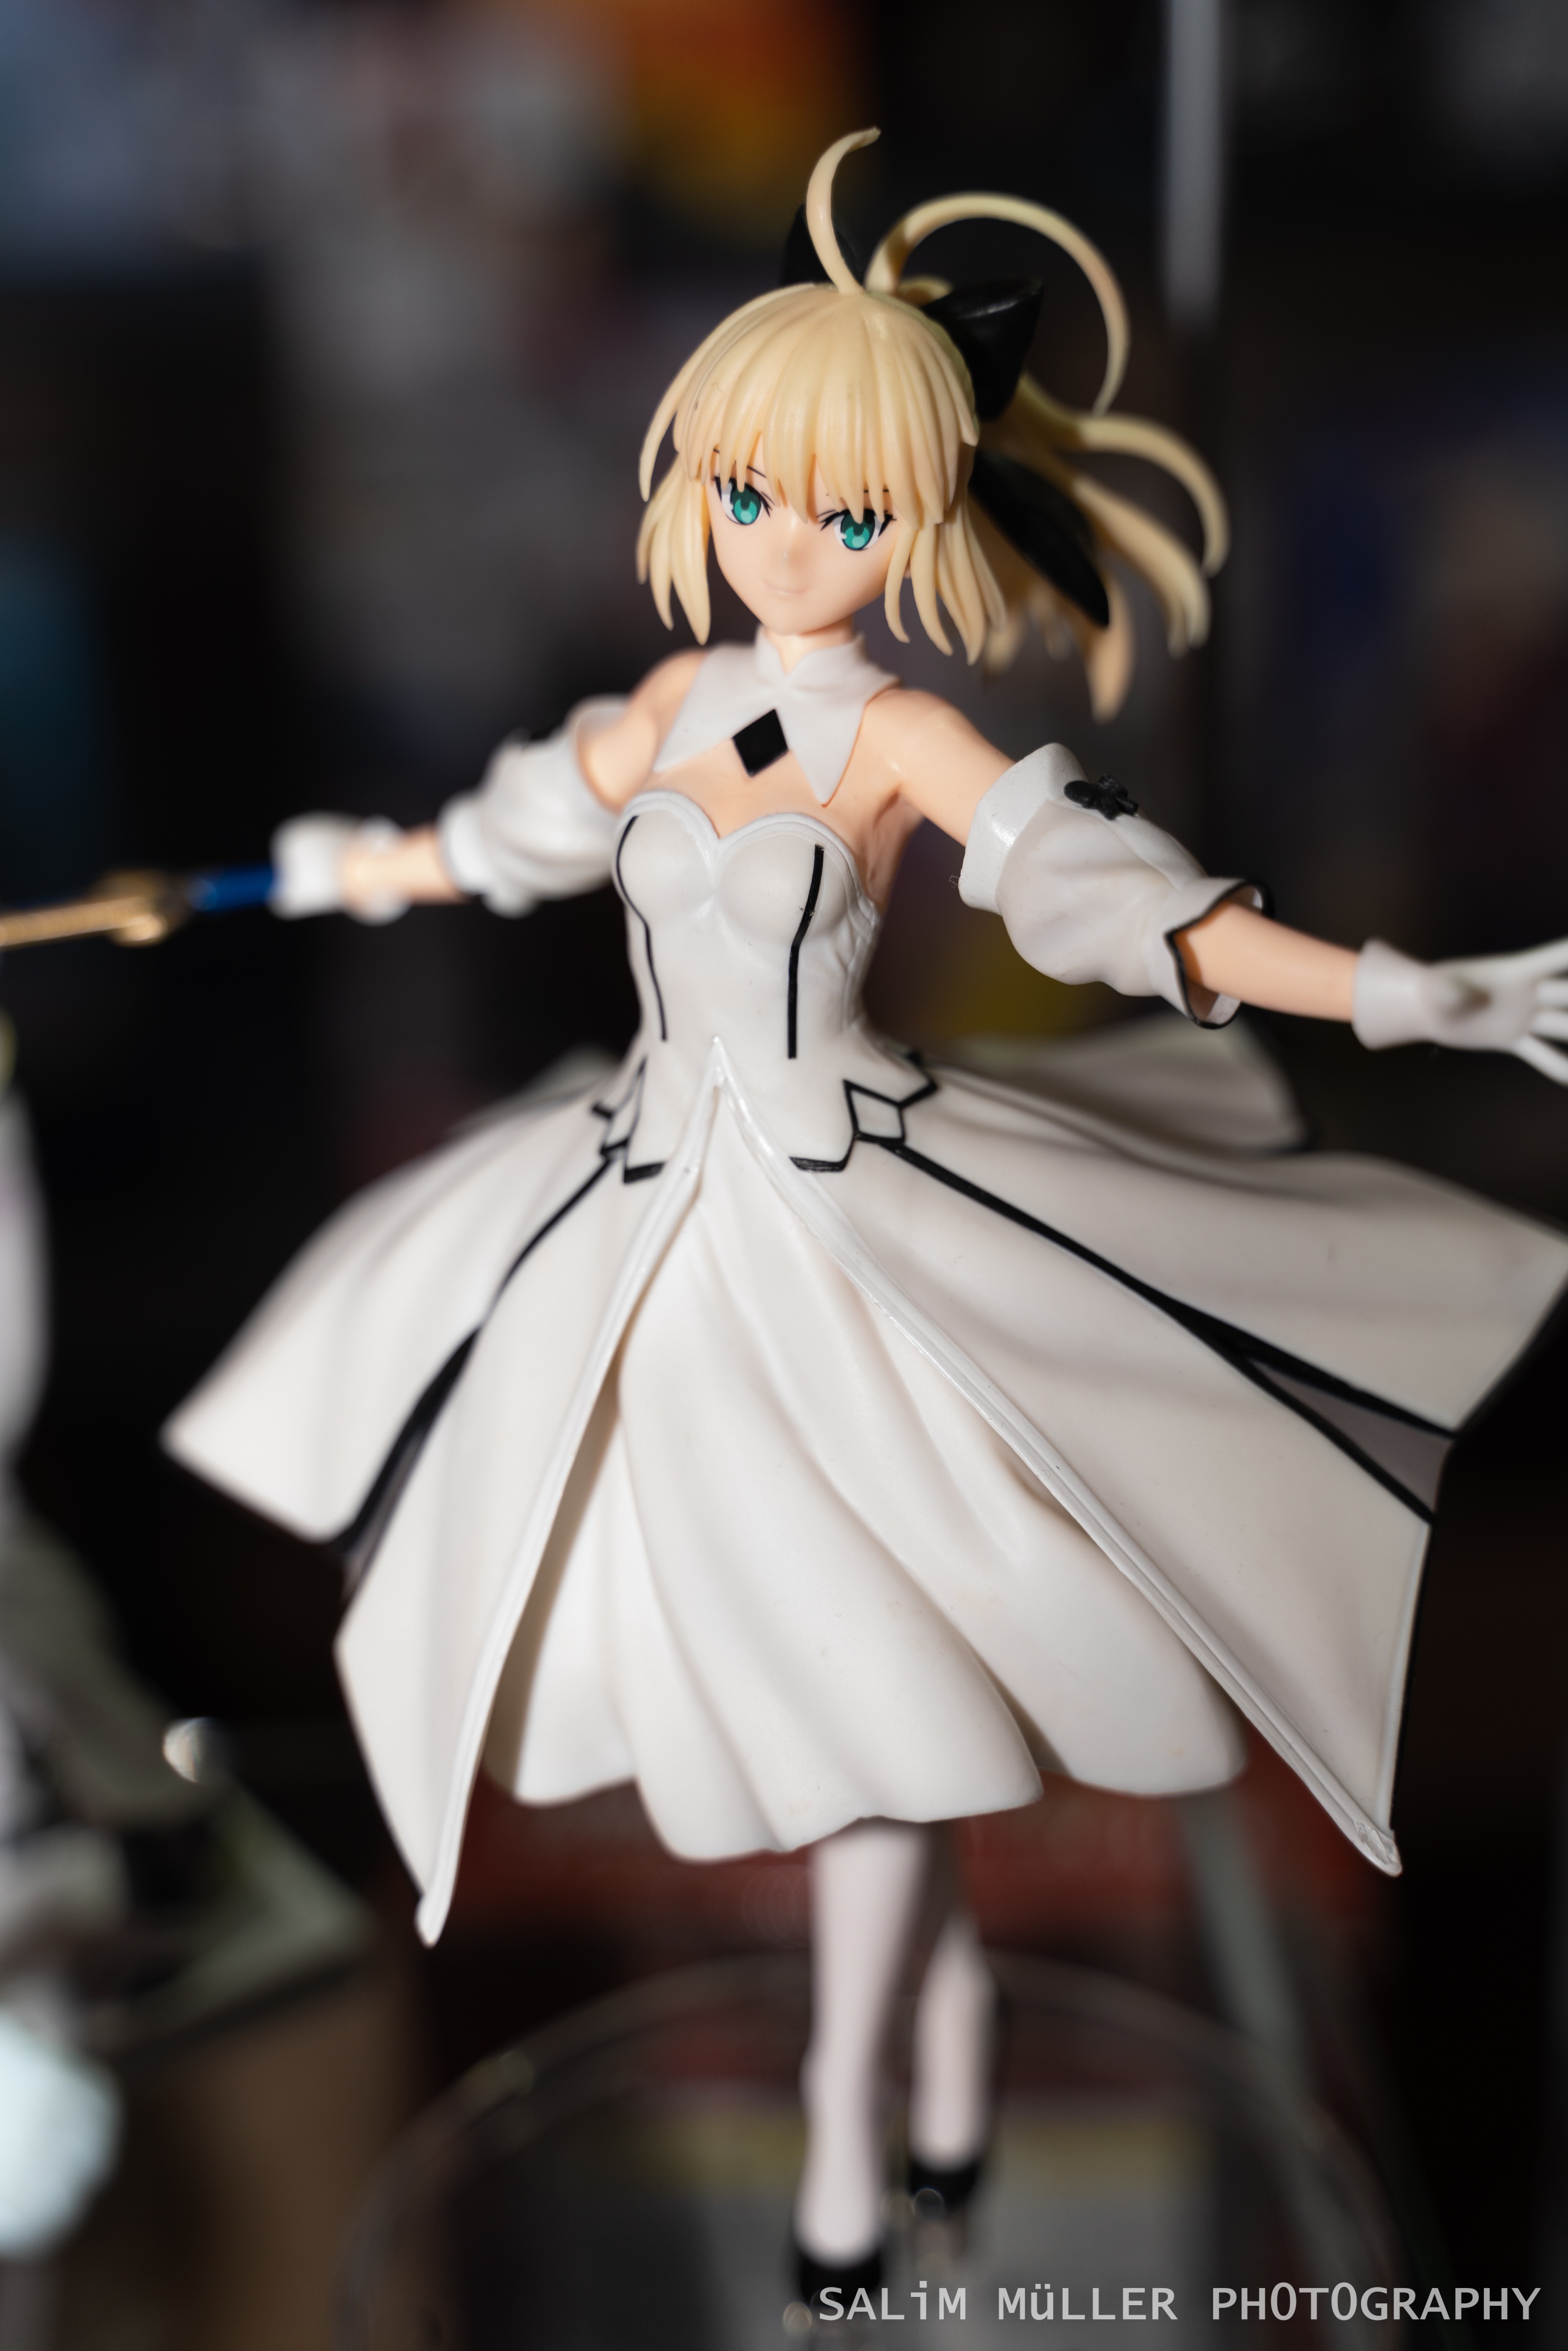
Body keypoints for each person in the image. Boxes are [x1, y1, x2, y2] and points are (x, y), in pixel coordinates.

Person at [166, 132, 1568, 2308]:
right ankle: (939, 2040)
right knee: (708, 1641)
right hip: (650, 1219)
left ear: (909, 520)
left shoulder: (898, 734)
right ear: (696, 479)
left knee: (879, 1705)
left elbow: (1133, 914)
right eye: (752, 490)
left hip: (848, 1235)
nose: (786, 538)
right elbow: (493, 840)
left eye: (841, 510)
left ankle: (851, 2104)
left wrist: (1407, 992)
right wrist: (300, 875)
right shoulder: (662, 710)